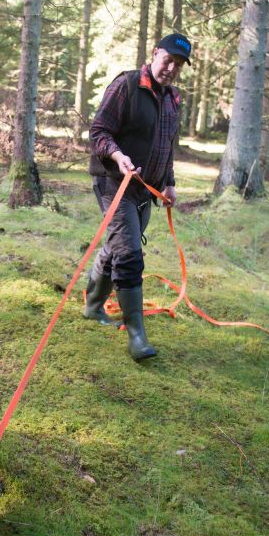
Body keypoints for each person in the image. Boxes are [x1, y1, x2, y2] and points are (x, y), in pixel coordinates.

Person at [83, 32, 192, 360]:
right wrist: (118, 156)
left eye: (179, 64)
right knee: (129, 254)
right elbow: (98, 132)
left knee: (117, 245)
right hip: (114, 185)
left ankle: (92, 307)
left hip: (147, 192)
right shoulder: (127, 85)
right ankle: (137, 338)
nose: (171, 68)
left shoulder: (173, 99)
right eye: (167, 59)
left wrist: (169, 183)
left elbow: (166, 147)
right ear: (155, 53)